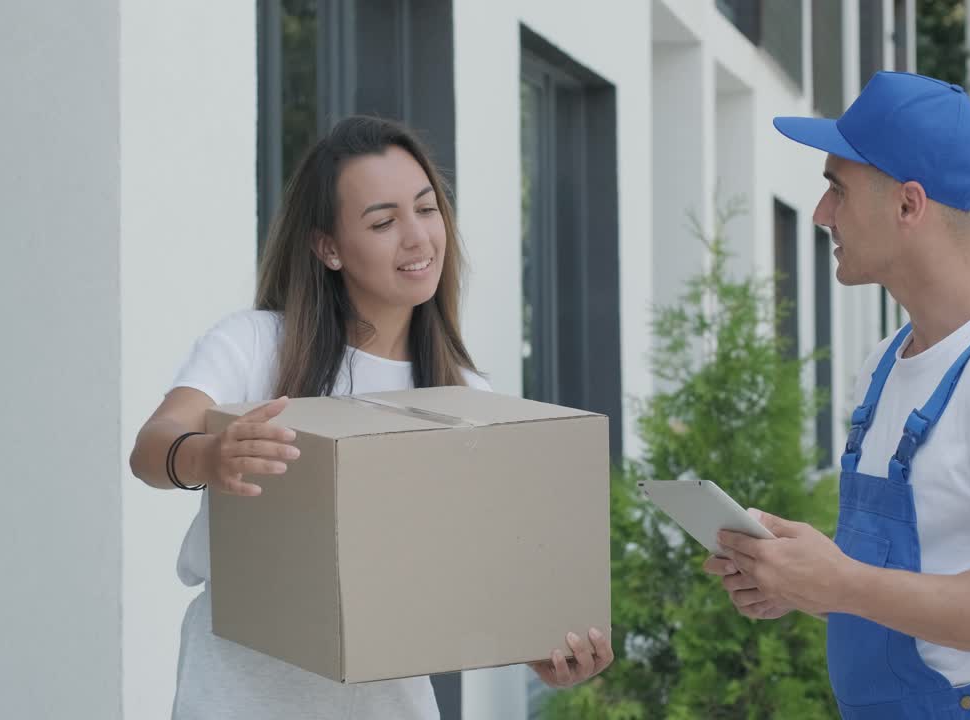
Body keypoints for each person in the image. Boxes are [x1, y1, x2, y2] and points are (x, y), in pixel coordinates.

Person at [129, 115, 612, 720]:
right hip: (236, 697)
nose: (418, 238)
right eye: (383, 222)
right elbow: (151, 447)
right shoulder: (255, 344)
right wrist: (206, 455)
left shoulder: (463, 390)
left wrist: (535, 644)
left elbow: (470, 572)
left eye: (427, 209)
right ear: (327, 246)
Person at [705, 71, 970, 718]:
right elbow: (924, 577)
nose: (819, 215)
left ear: (908, 205)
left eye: (835, 190)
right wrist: (808, 584)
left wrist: (847, 583)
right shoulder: (885, 364)